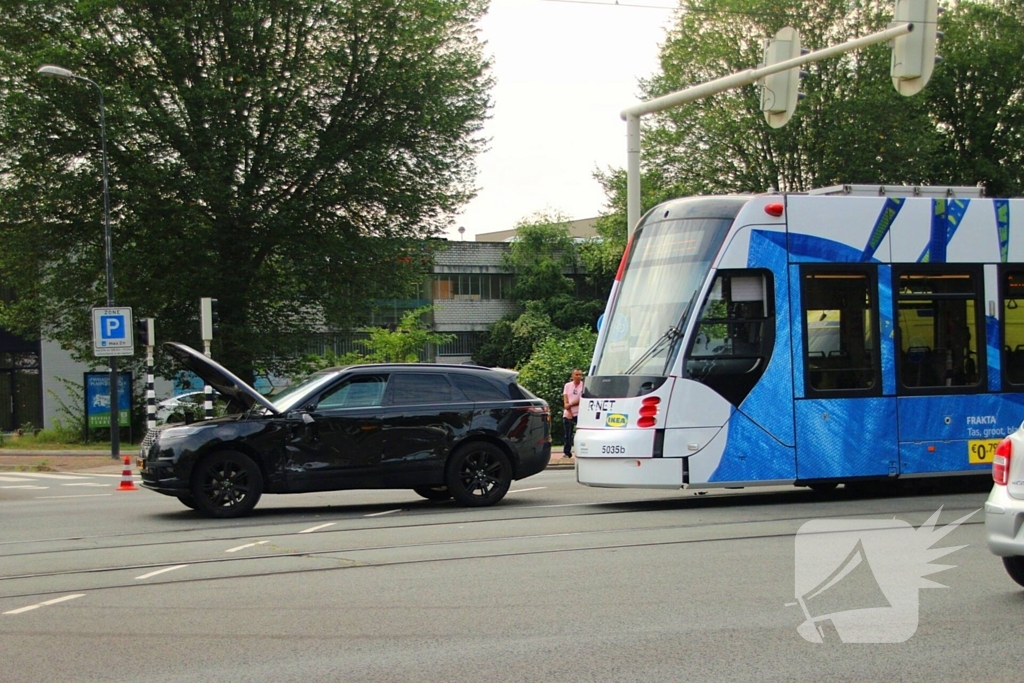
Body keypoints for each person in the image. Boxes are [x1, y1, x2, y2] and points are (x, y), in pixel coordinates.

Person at [562, 368, 583, 459]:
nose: (578, 376)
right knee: (567, 435)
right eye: (576, 374)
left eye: (580, 375)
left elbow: (581, 399)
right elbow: (565, 399)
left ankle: (581, 451)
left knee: (580, 433)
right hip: (568, 413)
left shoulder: (583, 386)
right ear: (572, 376)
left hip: (579, 413)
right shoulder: (567, 385)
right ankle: (567, 453)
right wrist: (569, 410)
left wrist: (570, 404)